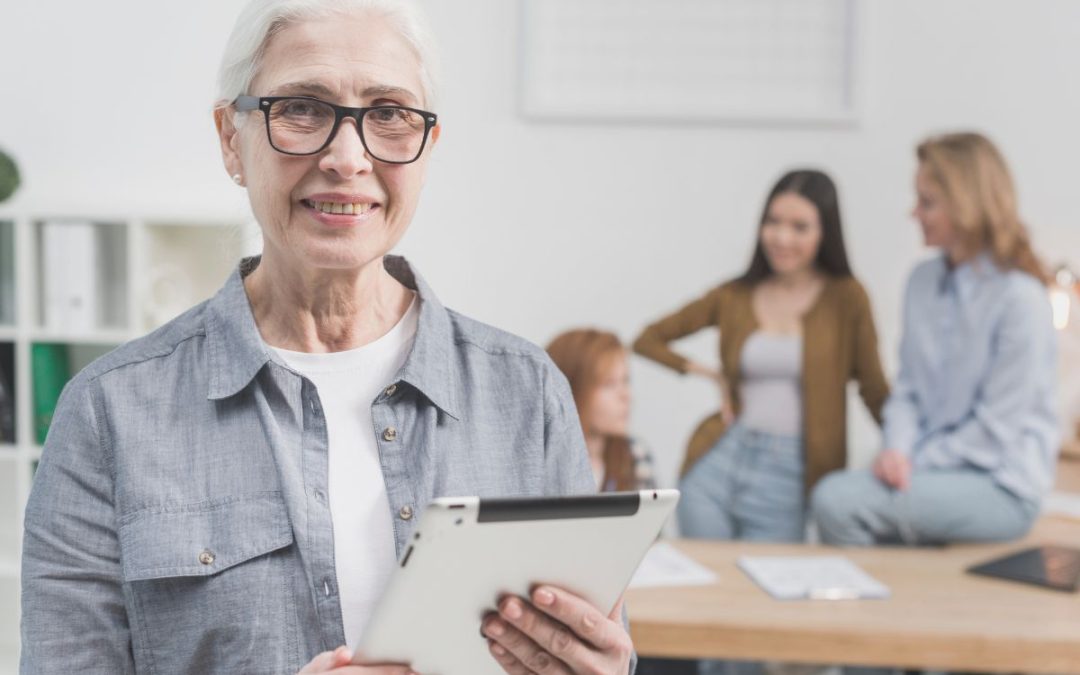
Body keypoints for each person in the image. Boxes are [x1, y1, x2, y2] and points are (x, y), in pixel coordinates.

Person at [19, 2, 635, 673]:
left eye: (390, 113)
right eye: (303, 108)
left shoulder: (527, 390)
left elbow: (588, 645)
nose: (348, 158)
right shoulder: (107, 413)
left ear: (428, 145)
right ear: (232, 138)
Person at [812, 132, 1059, 551]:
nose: (914, 213)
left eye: (927, 202)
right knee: (851, 493)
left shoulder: (1021, 300)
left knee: (835, 501)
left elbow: (995, 431)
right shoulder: (921, 282)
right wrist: (896, 447)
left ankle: (874, 607)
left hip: (999, 483)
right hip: (929, 467)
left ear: (967, 203)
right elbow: (907, 391)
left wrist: (912, 460)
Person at [634, 170, 889, 547]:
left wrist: (905, 449)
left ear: (825, 233)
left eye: (800, 227)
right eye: (773, 222)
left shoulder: (847, 298)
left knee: (765, 591)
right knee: (708, 587)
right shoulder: (735, 295)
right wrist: (709, 375)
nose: (782, 237)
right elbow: (647, 339)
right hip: (720, 461)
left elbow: (873, 388)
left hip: (791, 472)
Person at [547, 329, 657, 492]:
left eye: (626, 381)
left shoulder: (635, 455)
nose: (626, 396)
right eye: (609, 383)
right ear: (570, 390)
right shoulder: (537, 463)